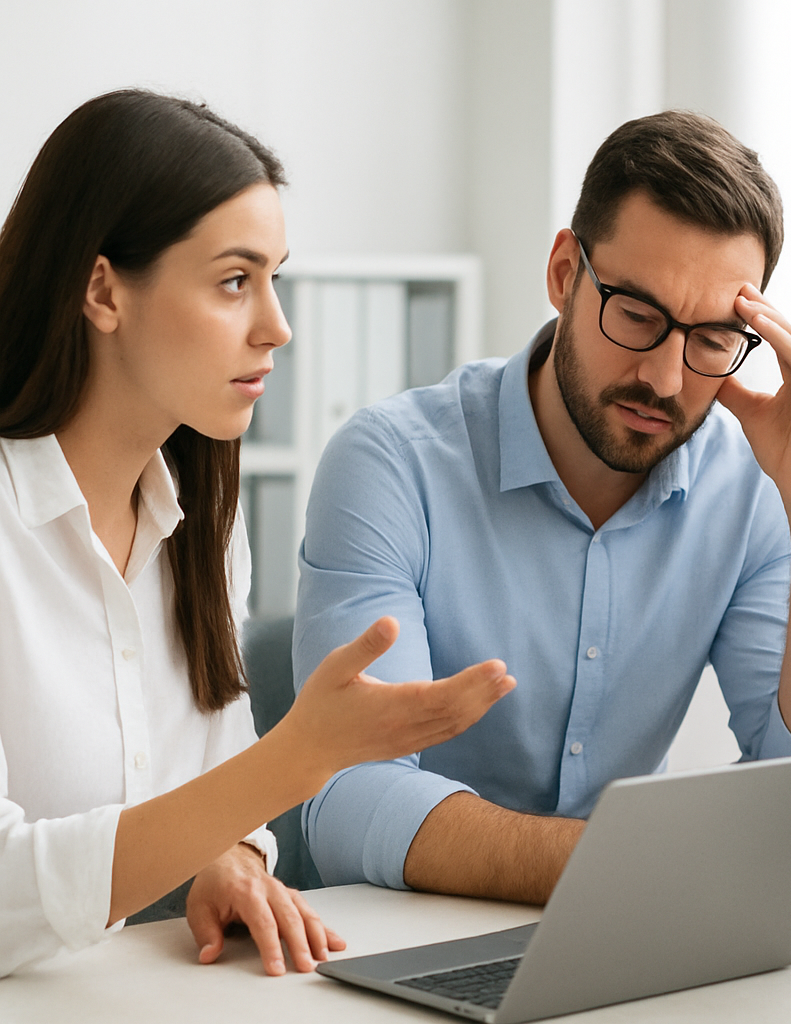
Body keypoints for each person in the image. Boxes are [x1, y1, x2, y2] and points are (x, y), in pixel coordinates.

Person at [294, 110, 791, 901]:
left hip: (622, 934)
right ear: (563, 273)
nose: (666, 379)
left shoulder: (750, 483)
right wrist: (629, 869)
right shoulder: (392, 464)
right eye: (639, 317)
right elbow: (344, 800)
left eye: (713, 338)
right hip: (396, 939)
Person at [0, 90, 514, 979]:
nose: (277, 328)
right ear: (101, 290)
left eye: (275, 278)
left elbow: (211, 793)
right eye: (235, 281)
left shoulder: (199, 526)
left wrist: (228, 859)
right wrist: (301, 758)